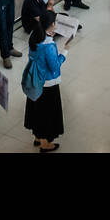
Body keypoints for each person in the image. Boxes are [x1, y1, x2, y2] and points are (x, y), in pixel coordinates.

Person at [24, 15, 68, 151]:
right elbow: (54, 66)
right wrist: (64, 53)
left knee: (36, 110)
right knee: (46, 114)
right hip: (48, 84)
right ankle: (45, 143)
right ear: (52, 24)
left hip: (34, 80)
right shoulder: (48, 45)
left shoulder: (34, 35)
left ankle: (37, 137)